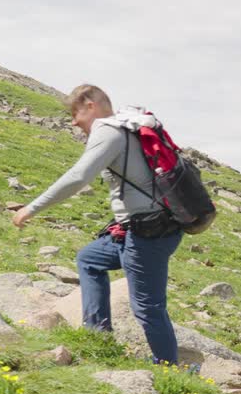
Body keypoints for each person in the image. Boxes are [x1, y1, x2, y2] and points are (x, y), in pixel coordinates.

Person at [12, 84, 183, 365]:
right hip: (143, 227)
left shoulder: (108, 129)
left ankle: (169, 371)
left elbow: (79, 176)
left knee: (148, 307)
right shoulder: (128, 127)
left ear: (90, 105)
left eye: (75, 113)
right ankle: (98, 335)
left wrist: (32, 208)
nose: (74, 122)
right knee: (90, 258)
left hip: (148, 232)